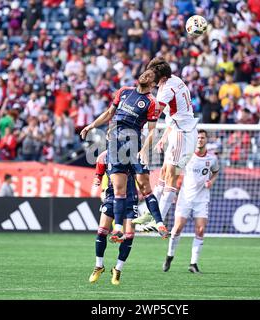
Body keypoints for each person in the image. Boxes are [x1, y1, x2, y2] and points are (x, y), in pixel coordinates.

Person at [80, 69, 169, 242]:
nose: (145, 76)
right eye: (145, 73)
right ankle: (118, 229)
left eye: (150, 76)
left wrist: (143, 150)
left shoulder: (151, 103)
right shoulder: (123, 91)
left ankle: (159, 223)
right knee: (119, 189)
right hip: (114, 146)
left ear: (153, 84)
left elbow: (152, 131)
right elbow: (108, 114)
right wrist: (91, 126)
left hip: (133, 146)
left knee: (144, 186)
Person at [147, 57, 199, 224]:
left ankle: (158, 220)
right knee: (163, 173)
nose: (150, 78)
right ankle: (151, 214)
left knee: (171, 175)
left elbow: (155, 115)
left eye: (152, 76)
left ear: (161, 78)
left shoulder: (166, 90)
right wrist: (163, 137)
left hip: (183, 134)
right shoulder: (174, 79)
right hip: (177, 131)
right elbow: (174, 115)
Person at [162, 130, 219, 274]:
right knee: (178, 228)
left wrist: (211, 181)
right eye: (198, 137)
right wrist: (173, 190)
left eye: (203, 138)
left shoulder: (212, 159)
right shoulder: (187, 156)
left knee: (200, 229)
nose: (200, 140)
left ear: (206, 140)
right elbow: (175, 173)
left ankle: (193, 264)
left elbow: (216, 171)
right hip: (185, 197)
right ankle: (170, 256)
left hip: (202, 198)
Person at [88, 150, 138, 285]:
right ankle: (99, 266)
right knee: (102, 230)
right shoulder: (103, 157)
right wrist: (98, 183)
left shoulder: (133, 154)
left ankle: (117, 269)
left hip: (130, 198)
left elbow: (141, 175)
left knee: (129, 235)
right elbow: (98, 176)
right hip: (112, 196)